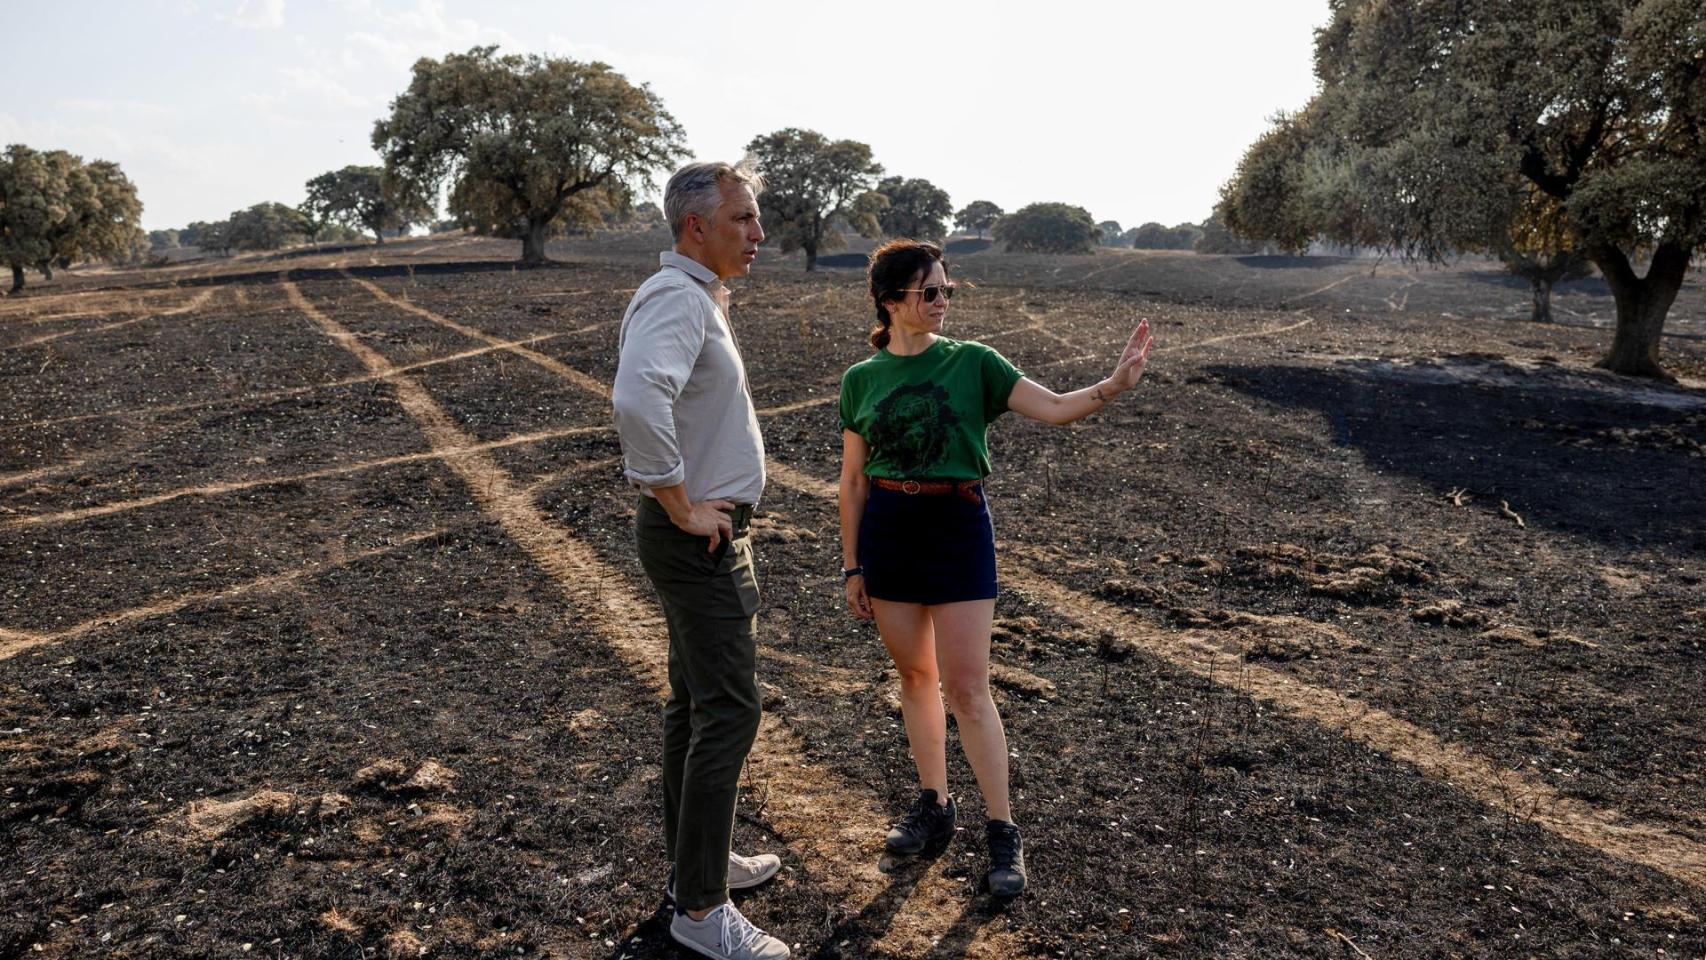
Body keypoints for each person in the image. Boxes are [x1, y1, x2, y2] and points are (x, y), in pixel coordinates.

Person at [837, 238, 1152, 897]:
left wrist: (1113, 385)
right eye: (930, 292)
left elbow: (1058, 407)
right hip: (890, 529)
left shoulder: (974, 363)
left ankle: (1002, 832)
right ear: (891, 301)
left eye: (948, 290)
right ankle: (934, 804)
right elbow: (852, 484)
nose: (943, 301)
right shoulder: (861, 379)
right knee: (916, 676)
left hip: (956, 526)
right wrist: (851, 565)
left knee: (969, 687)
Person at [612, 160, 789, 960]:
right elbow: (637, 398)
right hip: (698, 537)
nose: (758, 234)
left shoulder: (695, 295)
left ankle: (698, 869)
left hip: (703, 532)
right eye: (744, 219)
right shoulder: (679, 299)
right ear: (696, 227)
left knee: (693, 705)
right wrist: (680, 501)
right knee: (730, 709)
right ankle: (700, 913)